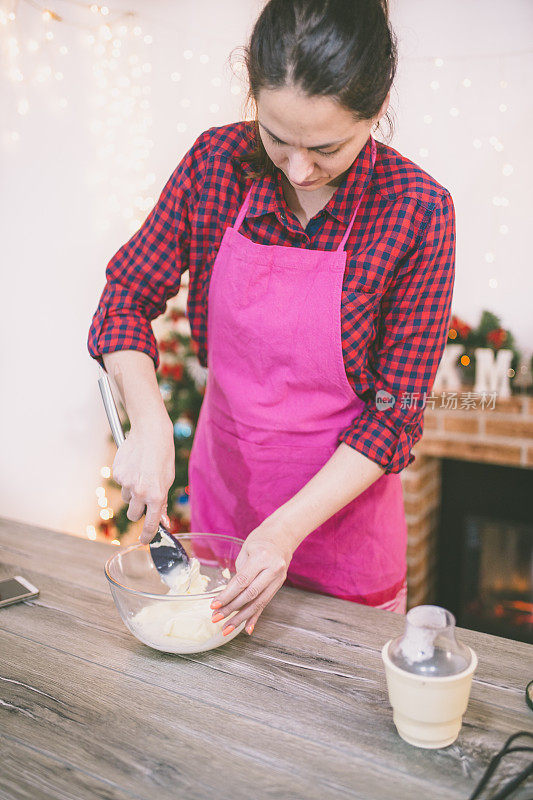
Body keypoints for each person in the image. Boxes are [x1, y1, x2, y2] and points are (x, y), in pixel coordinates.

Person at [87, 0, 455, 636]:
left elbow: (395, 412)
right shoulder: (214, 165)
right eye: (276, 138)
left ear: (378, 108)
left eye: (327, 148)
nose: (299, 171)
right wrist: (148, 423)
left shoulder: (418, 212)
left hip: (344, 533)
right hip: (223, 501)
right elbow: (123, 297)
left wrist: (282, 533)